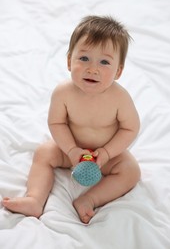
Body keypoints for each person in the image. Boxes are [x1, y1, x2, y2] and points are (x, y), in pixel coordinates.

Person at [2, 15, 141, 224]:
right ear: (69, 61)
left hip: (105, 157)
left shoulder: (119, 98)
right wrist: (71, 150)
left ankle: (89, 199)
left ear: (118, 71)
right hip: (71, 151)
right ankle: (35, 199)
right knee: (44, 153)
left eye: (104, 62)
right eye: (84, 58)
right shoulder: (63, 93)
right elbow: (56, 123)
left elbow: (130, 128)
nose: (92, 68)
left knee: (131, 171)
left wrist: (107, 152)